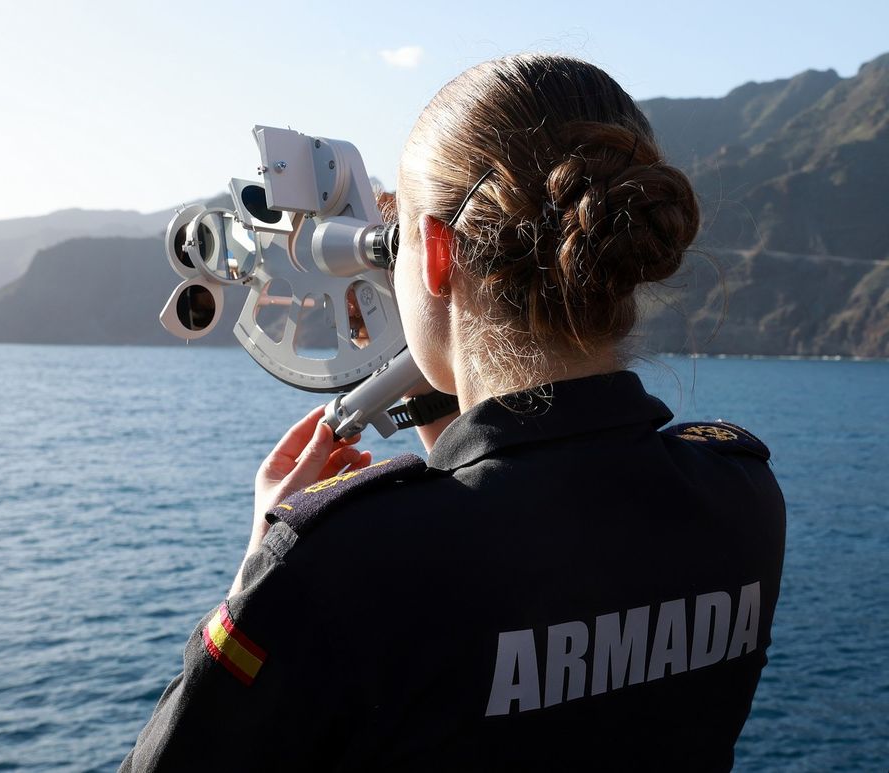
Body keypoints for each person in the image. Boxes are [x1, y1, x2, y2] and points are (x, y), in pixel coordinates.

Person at [120, 55, 785, 772]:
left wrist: (261, 575)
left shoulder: (337, 565)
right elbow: (520, 511)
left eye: (398, 236)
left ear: (436, 252)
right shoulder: (741, 497)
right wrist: (441, 356)